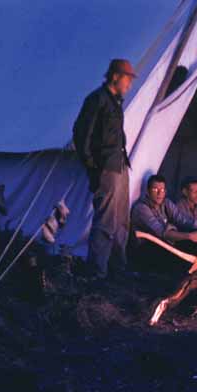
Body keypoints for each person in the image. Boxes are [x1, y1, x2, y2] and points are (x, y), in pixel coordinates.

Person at [72, 59, 136, 279]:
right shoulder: (97, 100)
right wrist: (93, 166)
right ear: (115, 76)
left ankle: (118, 268)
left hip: (119, 164)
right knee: (106, 220)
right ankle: (97, 271)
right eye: (127, 78)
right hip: (106, 168)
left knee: (121, 220)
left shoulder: (115, 102)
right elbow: (81, 134)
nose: (129, 84)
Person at [130, 174, 197, 255]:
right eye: (155, 190)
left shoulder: (166, 203)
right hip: (146, 249)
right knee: (187, 243)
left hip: (164, 243)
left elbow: (182, 219)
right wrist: (189, 236)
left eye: (162, 190)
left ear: (165, 192)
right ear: (148, 191)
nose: (159, 193)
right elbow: (162, 233)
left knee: (195, 239)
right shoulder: (141, 208)